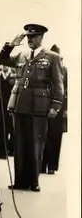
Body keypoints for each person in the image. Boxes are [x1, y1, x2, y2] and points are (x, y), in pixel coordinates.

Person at [0, 24, 64, 192]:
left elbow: (58, 84)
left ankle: (33, 181)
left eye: (33, 37)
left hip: (39, 106)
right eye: (28, 37)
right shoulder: (22, 54)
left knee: (36, 143)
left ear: (41, 37)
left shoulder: (52, 57)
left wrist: (56, 105)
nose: (29, 40)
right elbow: (1, 60)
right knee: (20, 144)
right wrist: (10, 45)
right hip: (20, 104)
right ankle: (20, 181)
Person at [41, 44, 67, 175]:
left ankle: (51, 166)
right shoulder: (44, 69)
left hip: (59, 107)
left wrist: (64, 109)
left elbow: (66, 91)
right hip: (45, 105)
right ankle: (42, 164)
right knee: (43, 136)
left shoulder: (65, 71)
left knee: (55, 138)